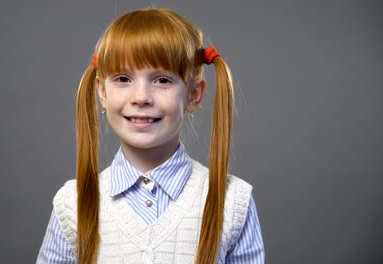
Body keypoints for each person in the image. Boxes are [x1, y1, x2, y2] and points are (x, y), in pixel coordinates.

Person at [37, 8, 264, 264]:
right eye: (123, 78)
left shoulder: (233, 204)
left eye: (162, 80)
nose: (141, 97)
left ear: (193, 94)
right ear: (102, 91)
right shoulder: (72, 206)